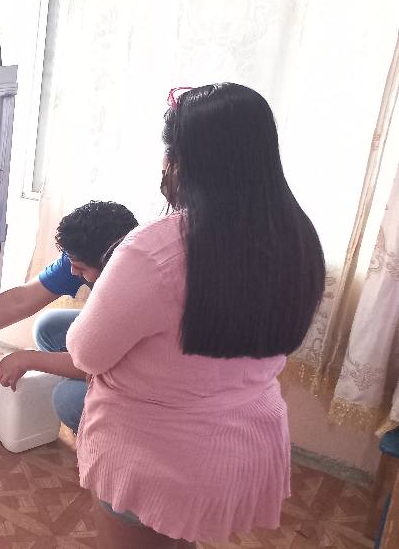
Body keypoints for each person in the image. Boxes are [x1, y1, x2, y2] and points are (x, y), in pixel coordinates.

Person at [65, 84, 325, 547]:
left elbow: (86, 353)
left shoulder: (155, 250)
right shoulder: (296, 236)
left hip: (157, 453)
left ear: (180, 163)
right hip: (245, 443)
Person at [0, 201, 138, 433]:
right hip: (111, 348)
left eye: (81, 269)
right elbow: (20, 300)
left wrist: (29, 359)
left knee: (68, 400)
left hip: (141, 375)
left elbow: (96, 364)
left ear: (110, 261)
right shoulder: (82, 257)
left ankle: (118, 426)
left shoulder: (133, 290)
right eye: (71, 263)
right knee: (48, 327)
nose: (73, 272)